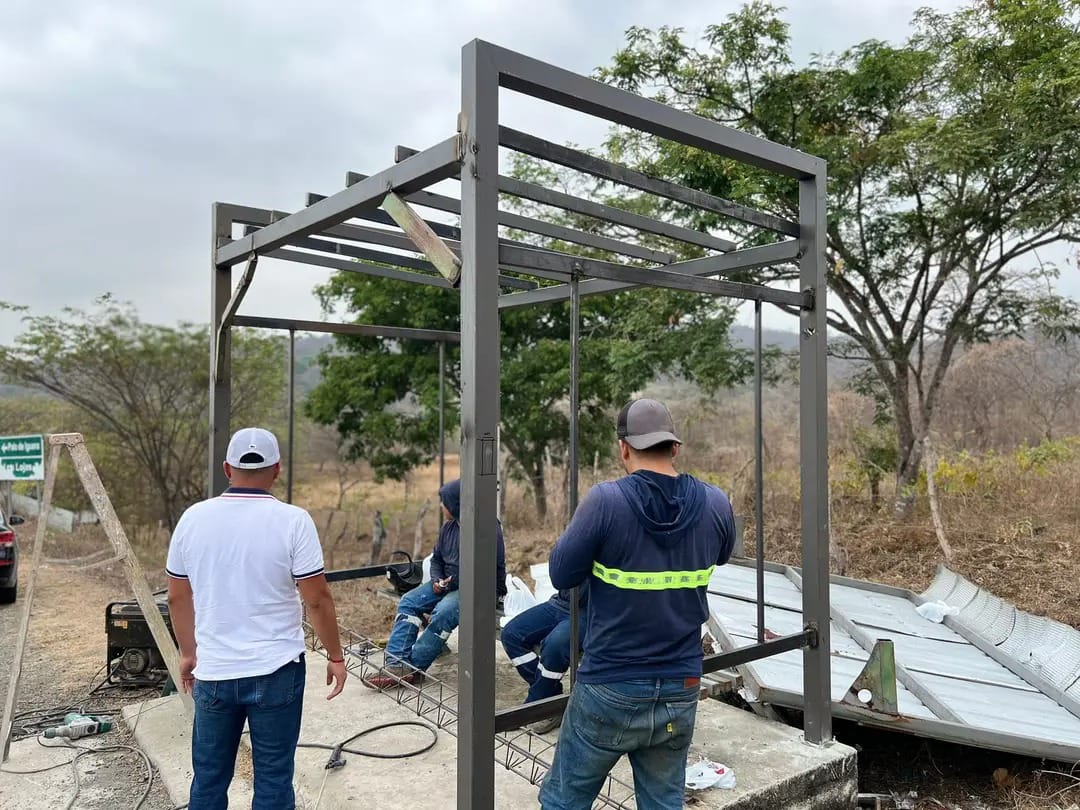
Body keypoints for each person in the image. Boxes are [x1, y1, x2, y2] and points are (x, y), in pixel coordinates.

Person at [538, 399, 736, 810]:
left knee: (564, 802)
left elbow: (561, 574)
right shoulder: (716, 503)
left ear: (623, 448)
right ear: (674, 447)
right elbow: (721, 554)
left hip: (611, 683)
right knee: (663, 802)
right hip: (681, 684)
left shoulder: (606, 502)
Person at [166, 427, 347, 810]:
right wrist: (335, 656)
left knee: (209, 778)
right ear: (277, 469)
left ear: (227, 469)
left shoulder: (193, 519)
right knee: (274, 778)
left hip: (214, 671)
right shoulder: (294, 521)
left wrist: (188, 653)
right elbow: (317, 600)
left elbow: (178, 596)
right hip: (276, 670)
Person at [364, 478, 507, 688]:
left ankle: (414, 668)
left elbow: (489, 567)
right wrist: (437, 579)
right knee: (408, 601)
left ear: (457, 503)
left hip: (479, 589)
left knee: (443, 612)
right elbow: (436, 559)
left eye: (444, 502)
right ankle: (396, 664)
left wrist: (452, 582)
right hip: (448, 584)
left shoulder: (487, 527)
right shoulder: (448, 528)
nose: (441, 506)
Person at [500, 586, 586, 734]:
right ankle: (550, 698)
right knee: (511, 634)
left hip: (592, 612)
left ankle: (535, 704)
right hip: (562, 602)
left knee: (555, 646)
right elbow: (559, 580)